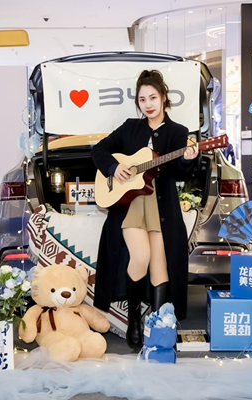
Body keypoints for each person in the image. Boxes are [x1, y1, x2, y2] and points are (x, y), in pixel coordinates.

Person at [91, 70, 198, 350]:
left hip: (161, 206)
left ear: (163, 98)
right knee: (140, 256)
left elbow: (180, 171)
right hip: (130, 206)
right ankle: (134, 319)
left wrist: (188, 159)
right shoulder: (130, 128)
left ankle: (159, 326)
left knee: (160, 266)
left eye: (153, 97)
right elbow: (99, 151)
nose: (148, 104)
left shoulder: (178, 132)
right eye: (142, 99)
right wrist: (114, 167)